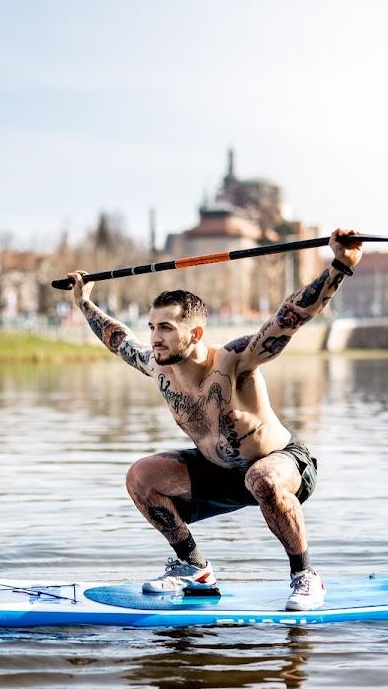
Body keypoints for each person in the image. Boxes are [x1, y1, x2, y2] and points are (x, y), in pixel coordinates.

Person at [67, 228, 363, 610]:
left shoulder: (234, 360)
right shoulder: (157, 367)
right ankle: (194, 569)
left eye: (167, 328)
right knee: (141, 477)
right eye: (153, 327)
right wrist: (84, 303)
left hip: (282, 466)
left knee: (262, 478)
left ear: (195, 333)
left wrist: (338, 265)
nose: (156, 338)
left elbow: (290, 318)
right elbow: (118, 340)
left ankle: (305, 575)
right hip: (219, 473)